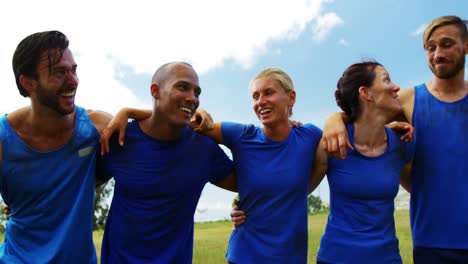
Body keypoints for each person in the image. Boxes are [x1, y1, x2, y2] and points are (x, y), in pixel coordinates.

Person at [102, 67, 322, 263]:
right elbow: (183, 119)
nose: (260, 101)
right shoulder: (242, 135)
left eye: (268, 93)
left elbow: (333, 140)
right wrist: (128, 112)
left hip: (292, 256)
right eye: (255, 96)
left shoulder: (310, 136)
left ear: (291, 98)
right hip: (244, 255)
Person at [323, 15, 468, 263]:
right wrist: (333, 120)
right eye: (430, 47)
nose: (437, 54)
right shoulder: (409, 99)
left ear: (466, 46)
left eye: (447, 44)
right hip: (432, 241)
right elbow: (363, 112)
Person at [97, 62, 236, 263]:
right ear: (156, 90)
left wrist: (279, 130)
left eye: (197, 92)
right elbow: (82, 188)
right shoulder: (120, 139)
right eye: (182, 87)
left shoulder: (203, 148)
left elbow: (251, 184)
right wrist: (127, 111)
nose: (192, 98)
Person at [0, 31, 112, 263]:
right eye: (60, 72)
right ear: (28, 82)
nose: (73, 81)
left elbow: (154, 133)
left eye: (74, 70)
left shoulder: (97, 128)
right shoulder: (3, 139)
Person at [314, 61, 413, 263]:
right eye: (386, 79)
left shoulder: (403, 142)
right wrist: (244, 211)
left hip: (387, 258)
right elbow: (295, 191)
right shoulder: (332, 142)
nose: (396, 87)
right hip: (335, 258)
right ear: (366, 93)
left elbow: (423, 188)